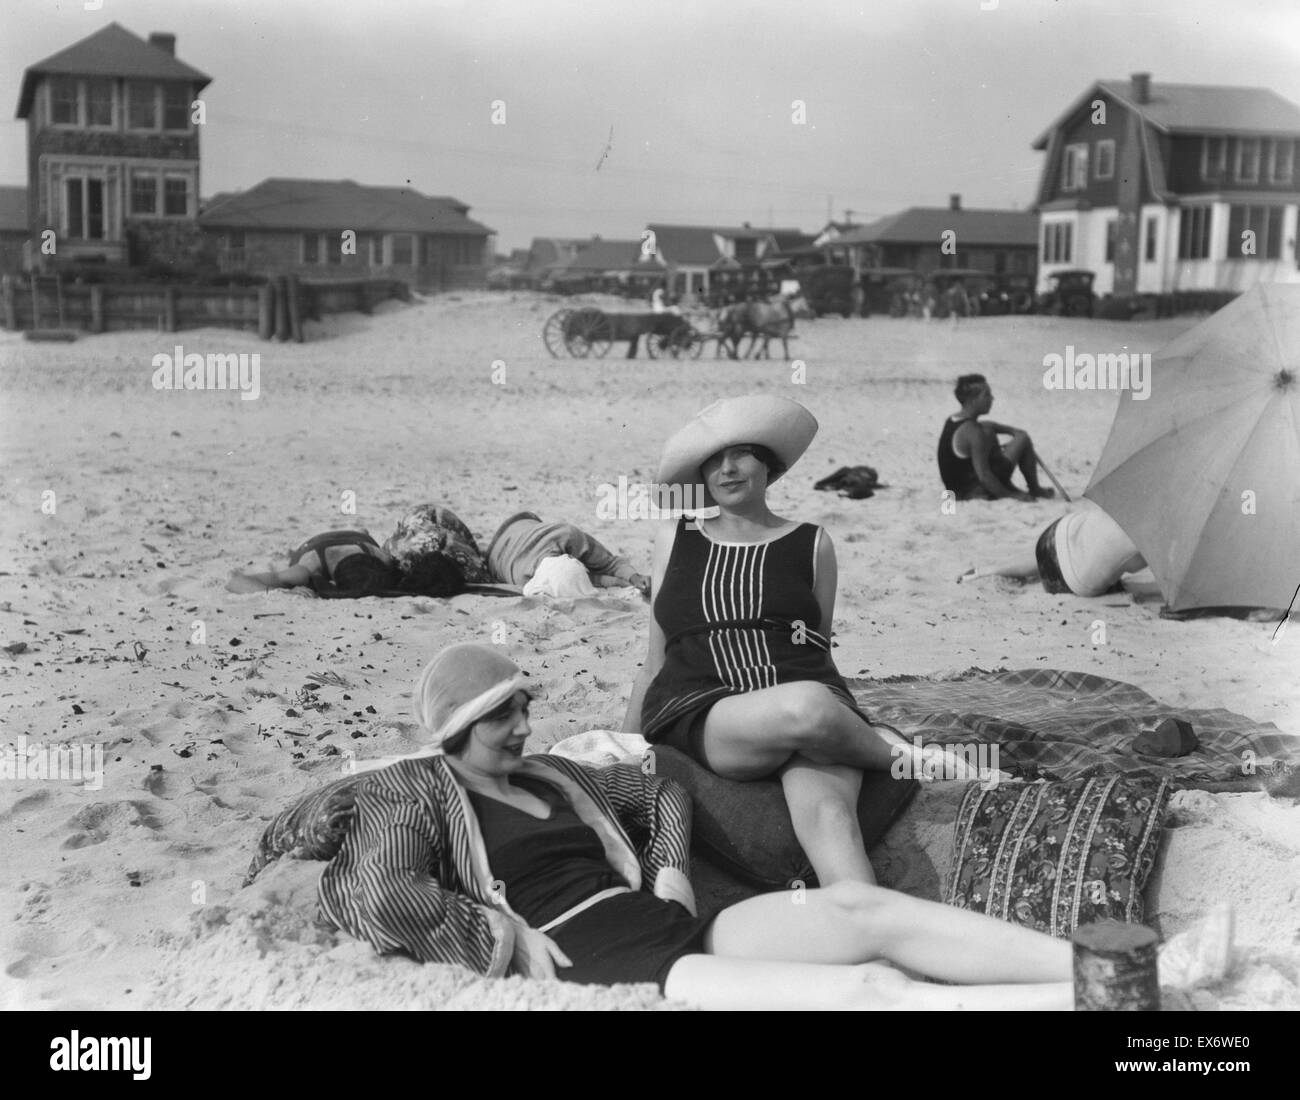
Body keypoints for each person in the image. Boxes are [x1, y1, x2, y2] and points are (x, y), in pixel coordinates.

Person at [317, 642, 1078, 1009]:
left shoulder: (553, 774)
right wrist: (501, 939)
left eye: (523, 712)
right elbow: (375, 894)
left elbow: (660, 796)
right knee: (869, 991)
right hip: (595, 959)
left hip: (661, 922)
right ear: (456, 730)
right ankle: (1103, 1001)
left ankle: (1089, 968)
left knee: (861, 908)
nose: (523, 731)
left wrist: (671, 875)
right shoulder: (418, 793)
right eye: (501, 722)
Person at [624, 395, 928, 888]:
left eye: (741, 454)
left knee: (833, 827)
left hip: (805, 697)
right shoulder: (677, 537)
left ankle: (873, 950)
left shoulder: (812, 543)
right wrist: (624, 743)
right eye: (713, 461)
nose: (727, 469)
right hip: (712, 710)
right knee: (806, 708)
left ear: (769, 465)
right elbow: (654, 659)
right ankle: (904, 761)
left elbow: (816, 651)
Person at [958, 504, 1147, 597]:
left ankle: (985, 570)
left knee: (1068, 552)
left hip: (1058, 531)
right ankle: (986, 572)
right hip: (1069, 580)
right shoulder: (1154, 540)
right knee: (1074, 563)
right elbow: (1135, 566)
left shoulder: (1135, 492)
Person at [938, 374, 1055, 501]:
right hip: (974, 492)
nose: (992, 398)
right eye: (986, 395)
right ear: (972, 400)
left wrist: (1009, 430)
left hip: (956, 489)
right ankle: (1035, 489)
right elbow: (984, 476)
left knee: (988, 430)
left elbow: (987, 425)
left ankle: (1023, 487)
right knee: (1023, 438)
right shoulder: (974, 432)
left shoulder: (953, 420)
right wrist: (1013, 495)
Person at [486, 512, 650, 597]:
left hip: (519, 527)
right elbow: (576, 579)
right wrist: (616, 581)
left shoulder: (568, 535)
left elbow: (610, 563)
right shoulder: (525, 580)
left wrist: (634, 577)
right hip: (498, 550)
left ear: (573, 558)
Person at [225, 529, 413, 597]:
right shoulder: (308, 567)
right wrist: (281, 592)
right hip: (315, 544)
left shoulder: (383, 560)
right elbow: (235, 581)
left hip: (360, 538)